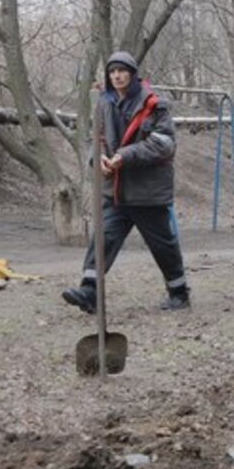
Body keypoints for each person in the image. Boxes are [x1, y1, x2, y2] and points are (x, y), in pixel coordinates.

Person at [62, 51, 191, 314]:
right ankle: (89, 291)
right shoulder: (103, 103)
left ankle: (178, 292)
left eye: (122, 70)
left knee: (163, 245)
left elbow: (164, 144)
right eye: (112, 71)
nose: (117, 75)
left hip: (148, 192)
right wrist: (96, 158)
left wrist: (124, 156)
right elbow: (94, 138)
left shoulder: (156, 105)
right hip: (116, 191)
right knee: (103, 239)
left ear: (132, 74)